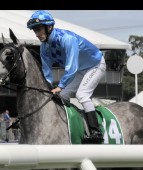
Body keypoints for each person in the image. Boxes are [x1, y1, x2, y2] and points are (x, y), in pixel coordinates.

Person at [27, 10, 106, 144]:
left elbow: (71, 67)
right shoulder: (44, 48)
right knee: (61, 97)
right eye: (35, 31)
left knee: (82, 94)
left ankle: (96, 131)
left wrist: (60, 86)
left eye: (39, 30)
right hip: (80, 69)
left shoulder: (67, 39)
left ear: (49, 27)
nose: (37, 34)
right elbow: (47, 71)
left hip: (95, 65)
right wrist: (48, 87)